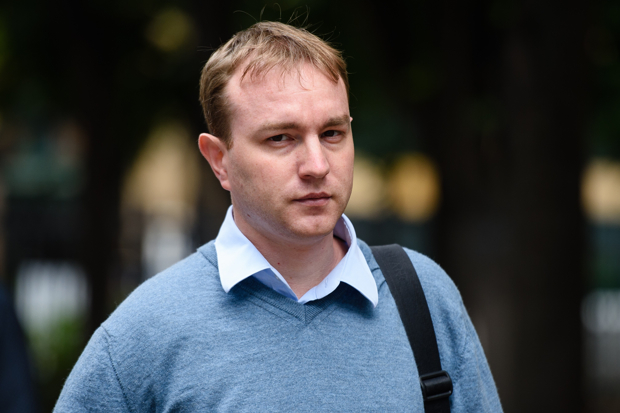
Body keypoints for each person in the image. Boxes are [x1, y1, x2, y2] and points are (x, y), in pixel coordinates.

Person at [54, 21, 502, 412]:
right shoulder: (145, 332)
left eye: (332, 133)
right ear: (219, 160)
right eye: (281, 138)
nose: (317, 165)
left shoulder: (424, 298)